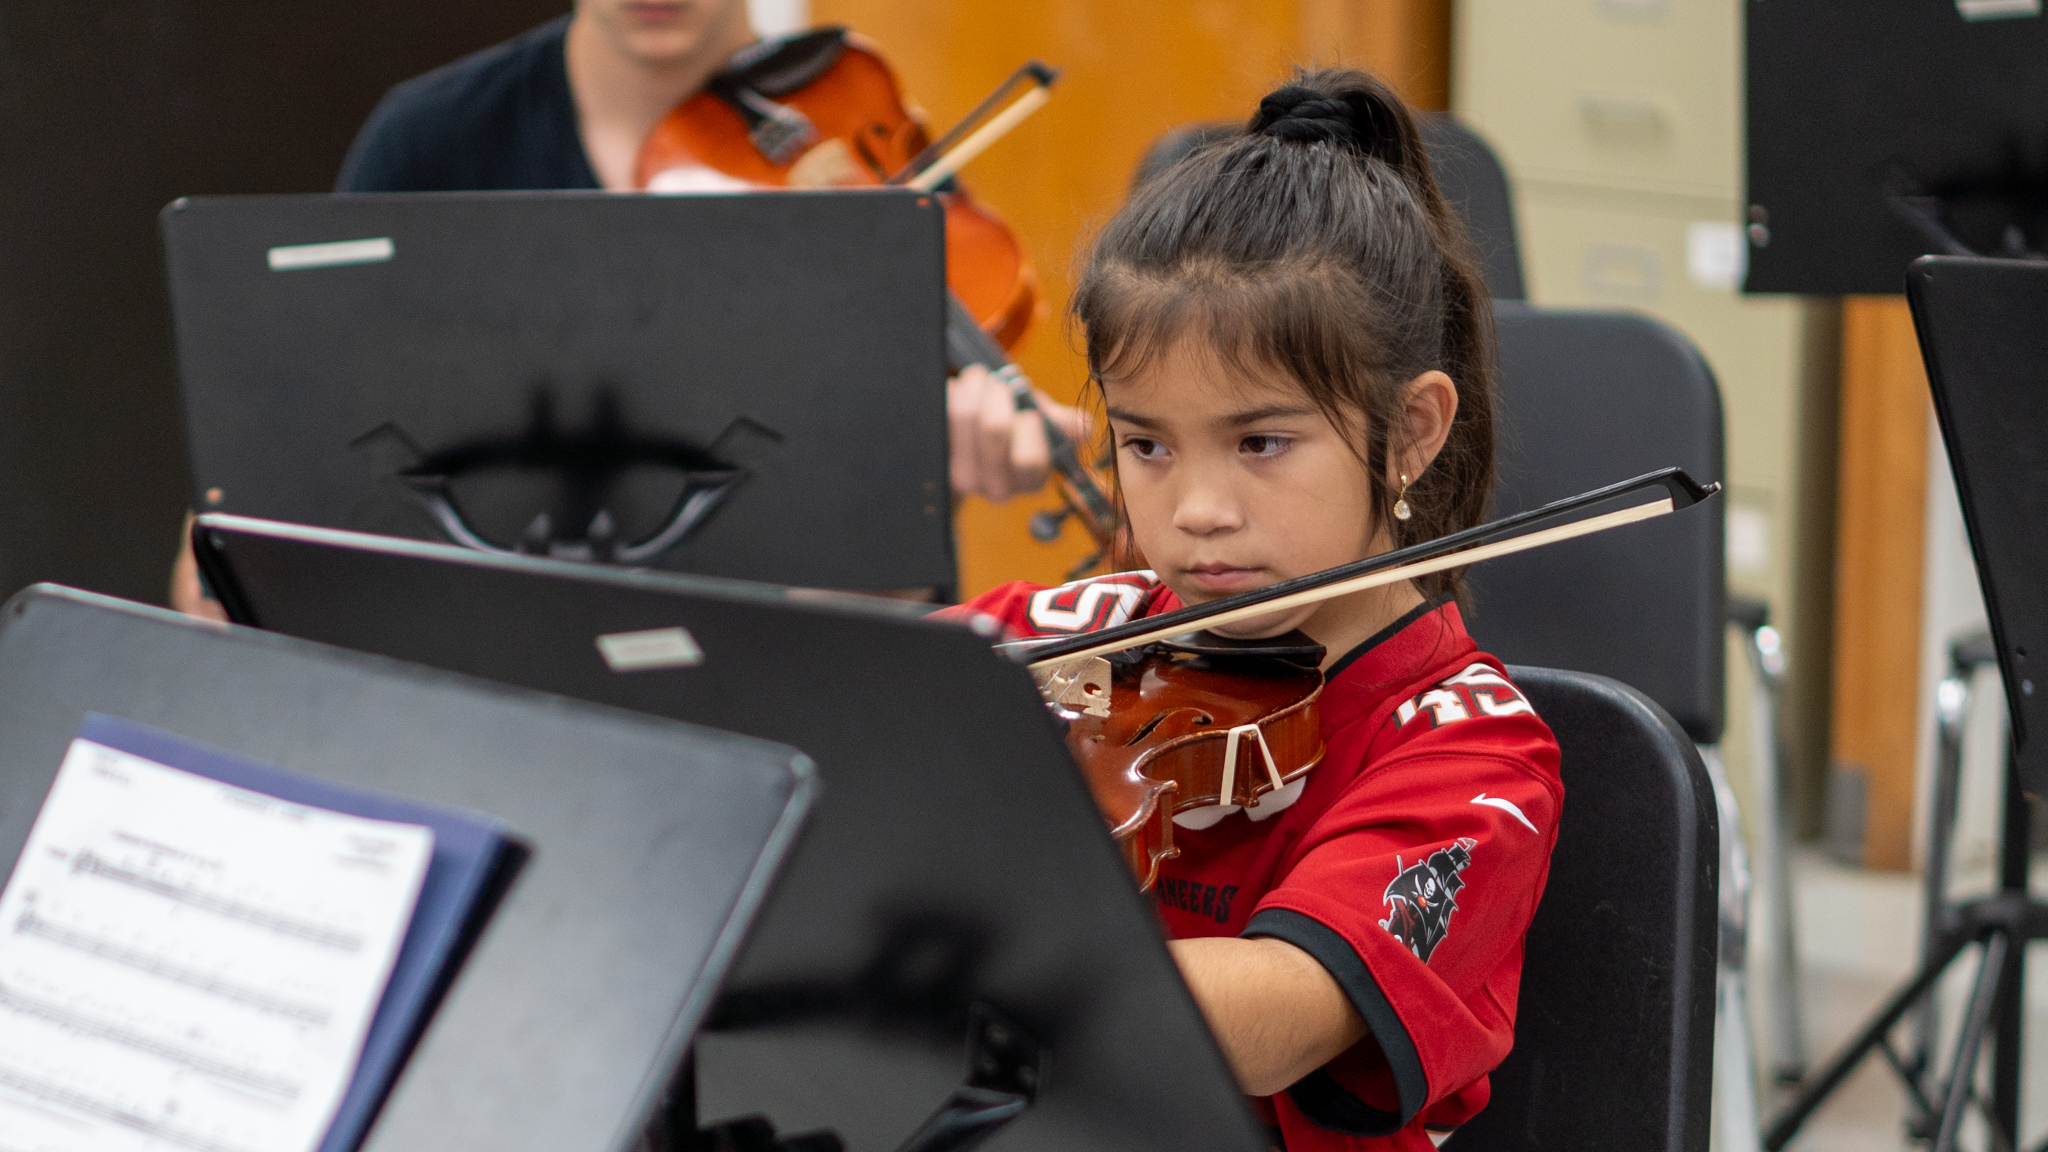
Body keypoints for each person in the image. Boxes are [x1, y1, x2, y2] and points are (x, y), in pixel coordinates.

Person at [938, 70, 1562, 1150]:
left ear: (1410, 432)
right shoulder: (1084, 626)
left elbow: (1271, 1012)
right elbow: (844, 701)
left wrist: (974, 951)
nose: (1195, 513)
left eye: (1259, 443)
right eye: (1146, 445)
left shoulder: (1473, 756)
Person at [168, 0, 1081, 616]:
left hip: (791, 684)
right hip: (500, 669)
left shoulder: (850, 143)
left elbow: (890, 600)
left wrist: (963, 460)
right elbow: (273, 501)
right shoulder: (432, 141)